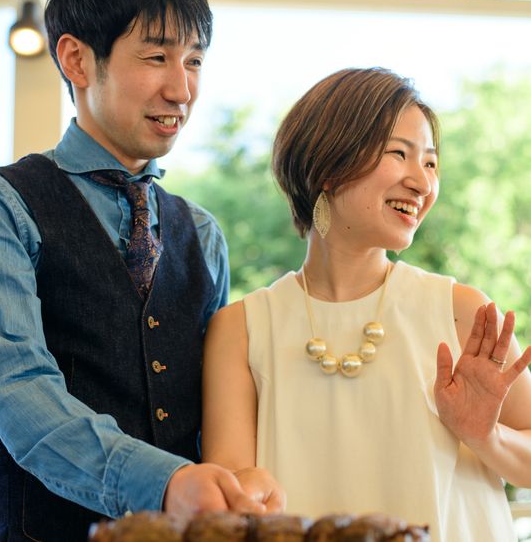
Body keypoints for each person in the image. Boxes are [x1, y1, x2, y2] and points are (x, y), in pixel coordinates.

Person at [0, 0, 282, 540]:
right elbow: (18, 390)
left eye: (194, 61)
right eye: (156, 57)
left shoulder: (203, 234)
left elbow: (217, 413)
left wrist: (238, 483)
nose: (181, 90)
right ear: (77, 60)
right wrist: (165, 483)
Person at [202, 67, 531, 541]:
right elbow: (234, 495)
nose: (423, 183)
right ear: (329, 165)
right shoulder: (242, 328)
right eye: (400, 154)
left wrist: (487, 436)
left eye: (431, 163)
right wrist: (241, 491)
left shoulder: (461, 310)